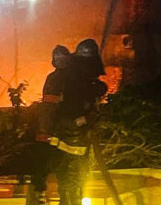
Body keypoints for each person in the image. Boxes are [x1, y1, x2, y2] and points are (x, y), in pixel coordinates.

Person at [28, 40, 107, 205]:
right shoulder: (67, 80)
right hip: (68, 138)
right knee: (69, 182)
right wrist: (81, 121)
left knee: (69, 183)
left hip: (69, 140)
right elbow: (52, 110)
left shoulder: (74, 79)